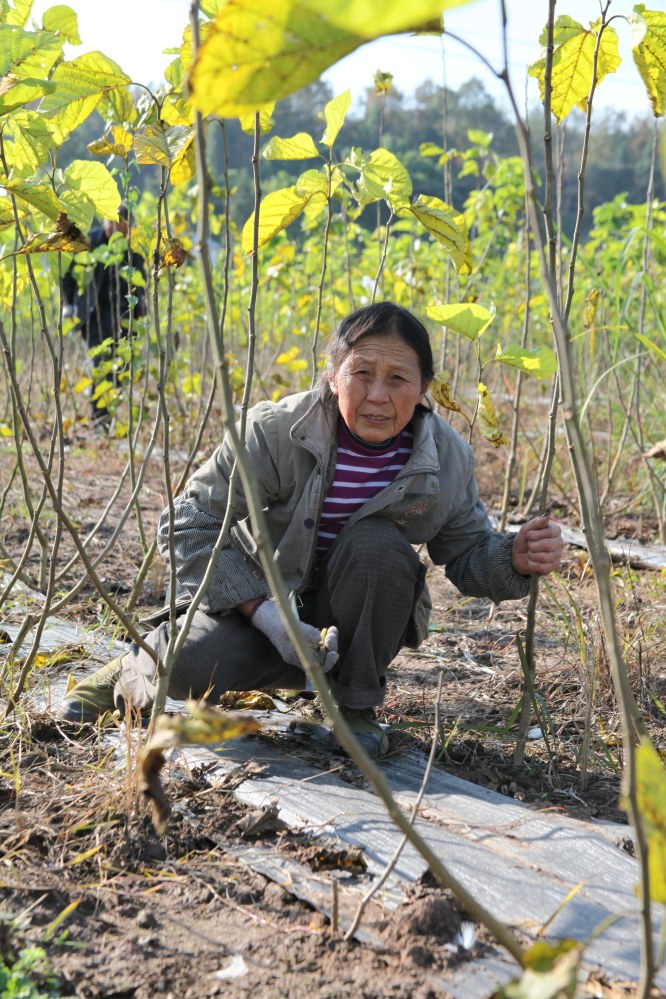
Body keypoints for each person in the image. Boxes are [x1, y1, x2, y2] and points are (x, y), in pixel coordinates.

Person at [58, 302, 563, 757]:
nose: (378, 396)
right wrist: (268, 615)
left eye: (398, 379)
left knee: (380, 546)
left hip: (352, 624)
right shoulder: (276, 431)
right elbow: (187, 524)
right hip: (257, 605)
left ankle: (354, 707)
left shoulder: (444, 457)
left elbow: (467, 553)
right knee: (192, 666)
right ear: (332, 377)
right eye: (361, 373)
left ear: (424, 389)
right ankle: (127, 674)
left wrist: (512, 557)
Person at [62, 205, 146, 423]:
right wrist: (68, 305)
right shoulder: (89, 242)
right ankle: (100, 419)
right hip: (92, 315)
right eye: (110, 222)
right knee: (99, 364)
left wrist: (142, 304)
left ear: (127, 227)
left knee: (117, 368)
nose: (114, 228)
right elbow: (68, 275)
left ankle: (107, 415)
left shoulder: (133, 250)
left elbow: (140, 281)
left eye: (119, 224)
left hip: (122, 318)